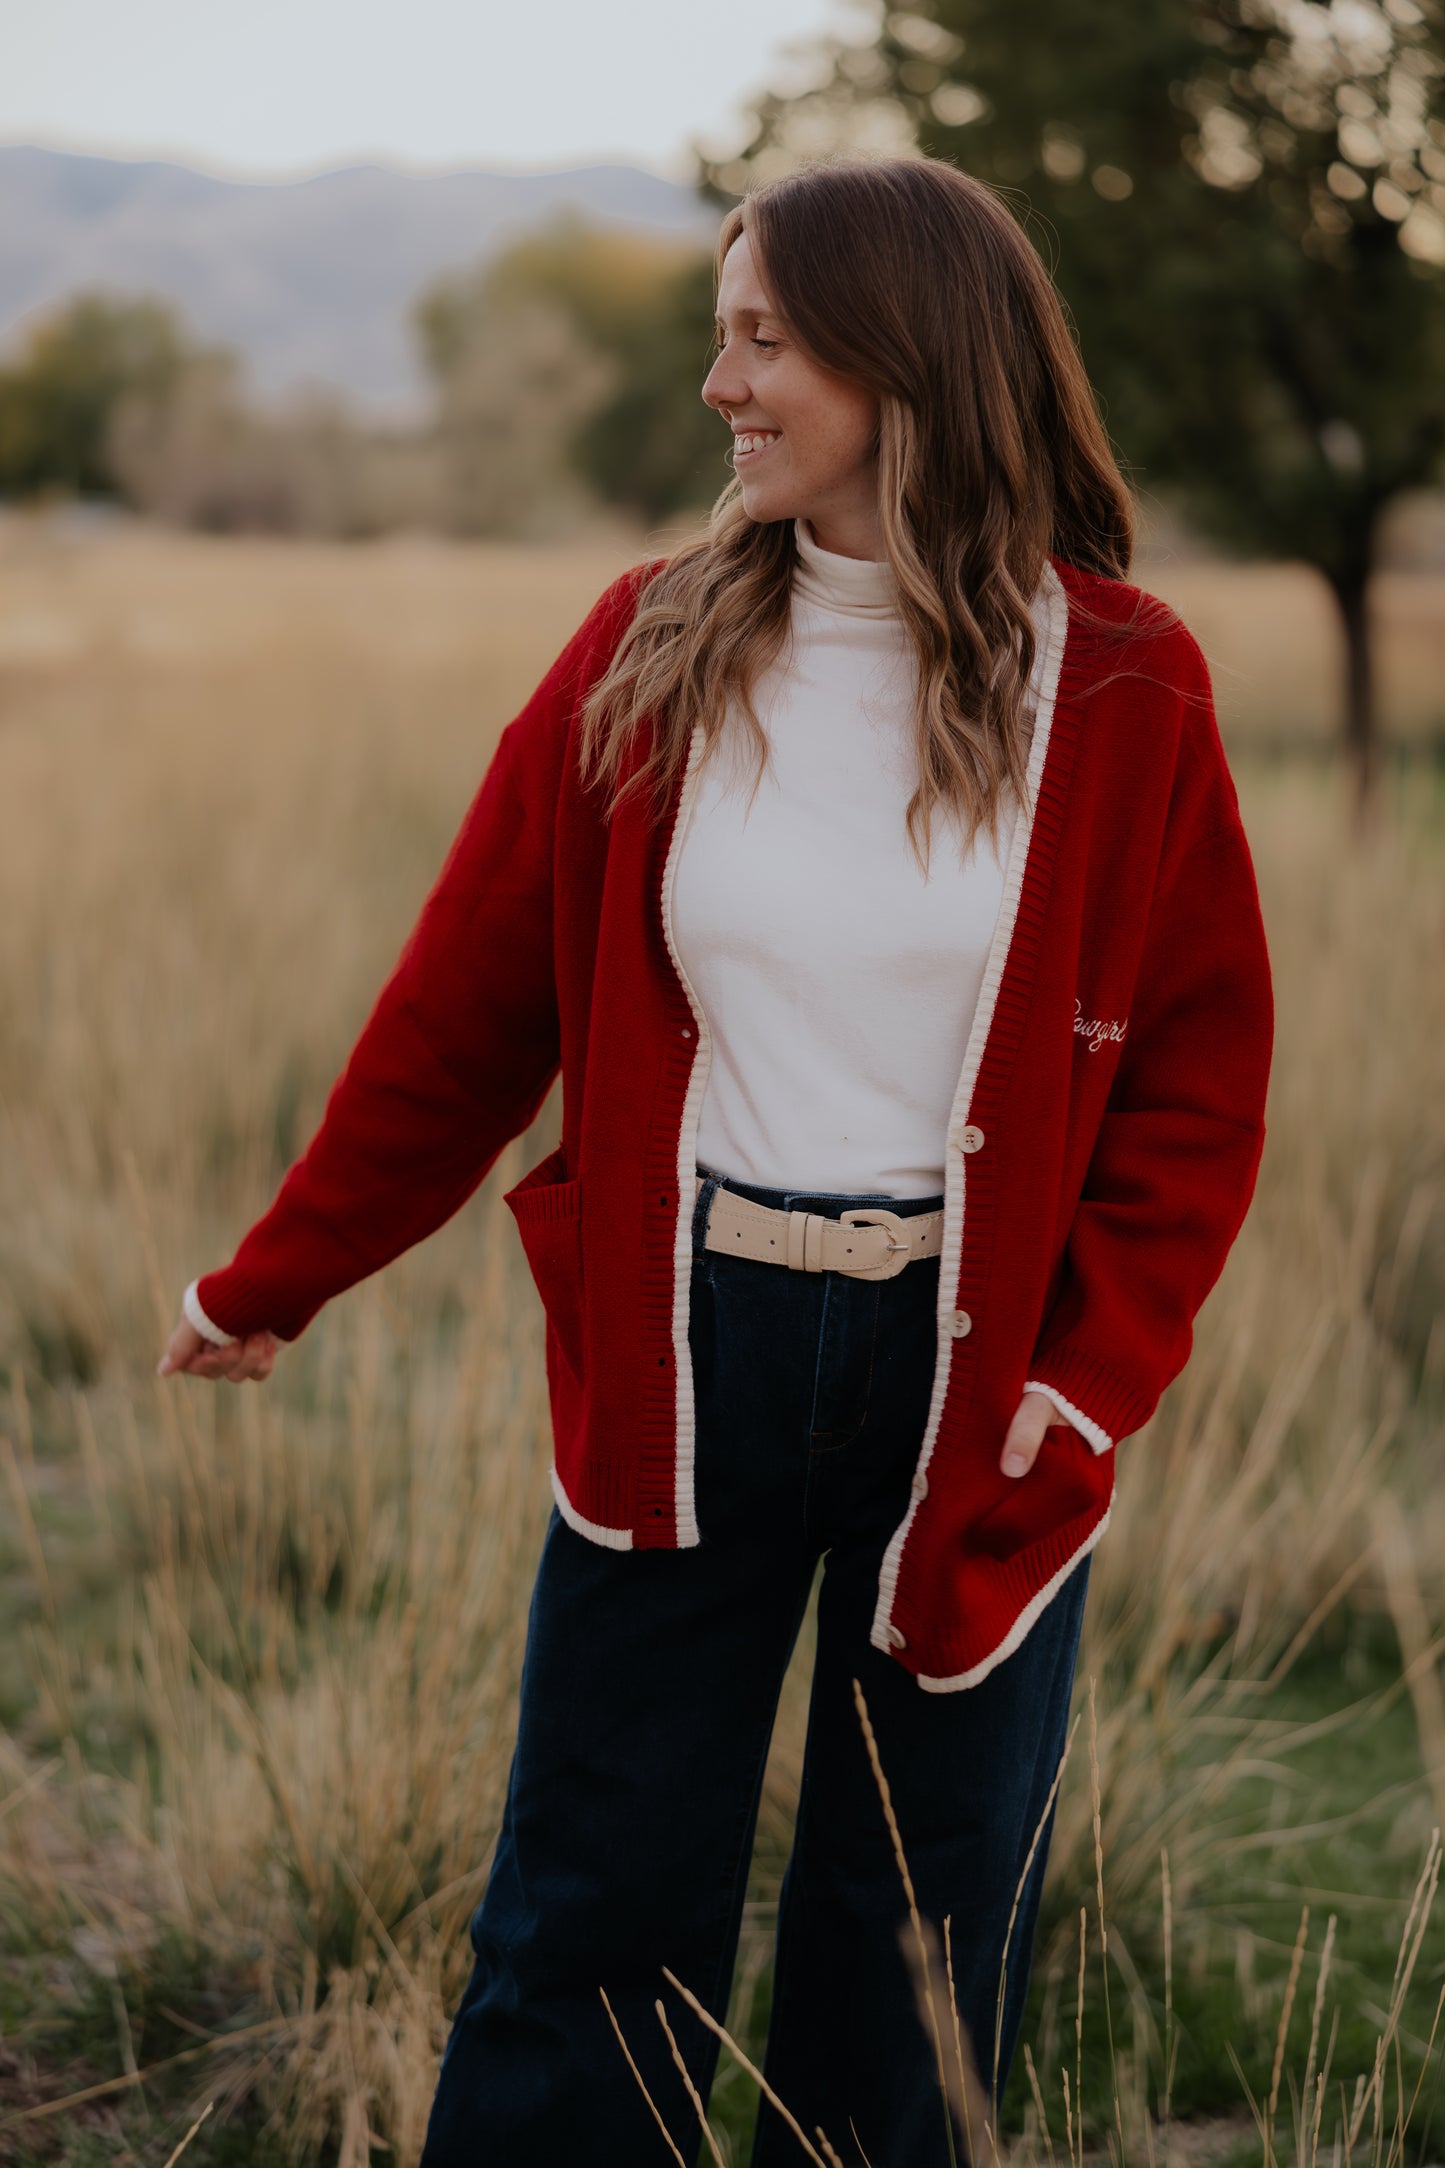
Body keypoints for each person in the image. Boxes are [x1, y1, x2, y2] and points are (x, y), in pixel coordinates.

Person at [157, 153, 1274, 2168]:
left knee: (913, 1937)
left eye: (760, 338)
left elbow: (1196, 1085)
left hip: (979, 1382)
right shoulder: (651, 647)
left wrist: (1081, 1384)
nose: (719, 386)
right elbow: (465, 1014)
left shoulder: (1119, 683)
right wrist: (276, 1275)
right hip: (686, 1351)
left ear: (897, 358)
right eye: (725, 335)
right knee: (590, 1906)